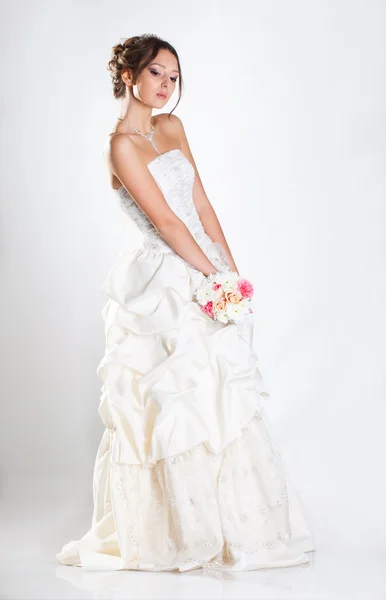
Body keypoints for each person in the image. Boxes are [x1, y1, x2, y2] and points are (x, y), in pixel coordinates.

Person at [56, 33, 315, 572]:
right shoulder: (120, 145)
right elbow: (168, 222)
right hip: (165, 281)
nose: (166, 85)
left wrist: (229, 271)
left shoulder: (172, 127)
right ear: (129, 76)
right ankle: (177, 532)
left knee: (221, 396)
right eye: (156, 73)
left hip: (204, 263)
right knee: (176, 401)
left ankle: (236, 529)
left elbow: (199, 201)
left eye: (173, 77)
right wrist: (205, 276)